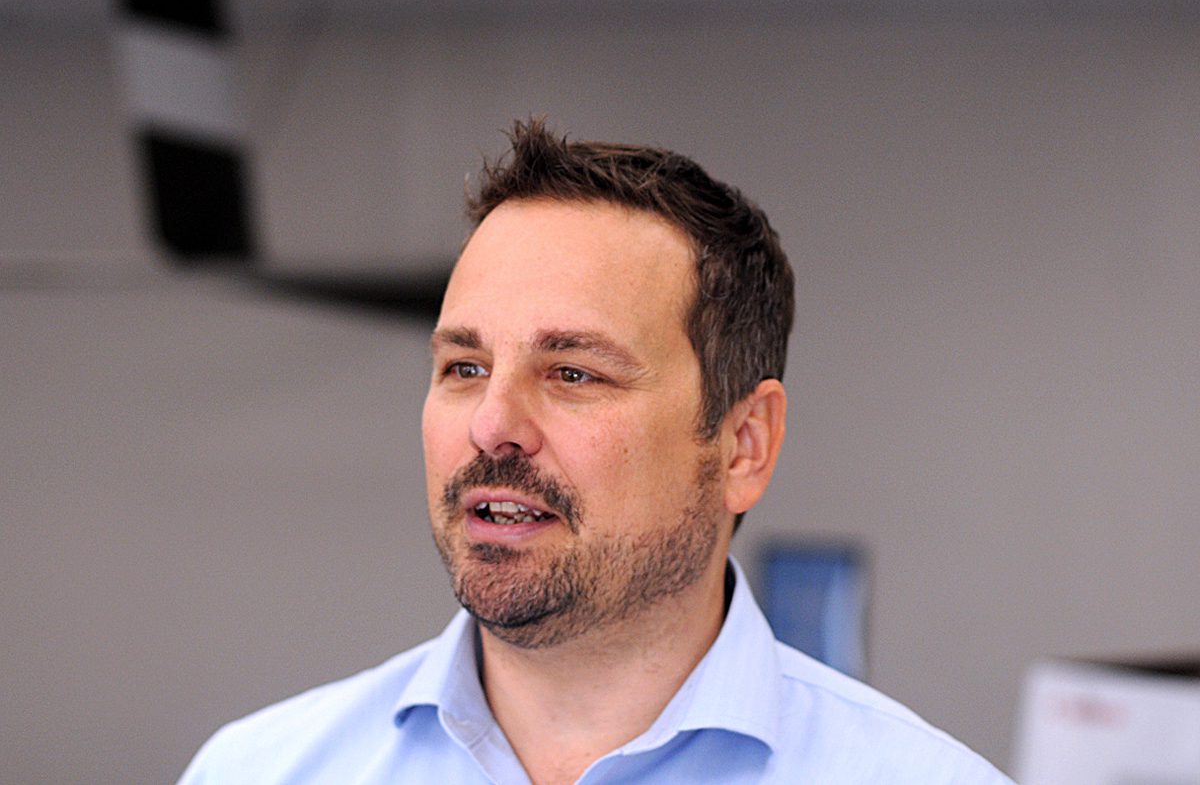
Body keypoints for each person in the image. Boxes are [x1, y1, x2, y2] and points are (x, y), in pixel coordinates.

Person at [179, 119, 1013, 784]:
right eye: (464, 366)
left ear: (743, 445)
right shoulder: (256, 770)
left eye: (573, 371)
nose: (491, 423)